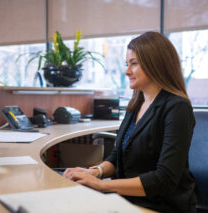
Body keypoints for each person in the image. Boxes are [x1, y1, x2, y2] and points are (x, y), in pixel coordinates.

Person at [63, 31, 198, 213]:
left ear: (155, 64)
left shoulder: (177, 107)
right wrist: (95, 172)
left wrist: (102, 186)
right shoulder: (136, 104)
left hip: (161, 205)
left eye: (134, 64)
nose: (127, 71)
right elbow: (119, 155)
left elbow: (164, 179)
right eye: (127, 64)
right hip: (127, 200)